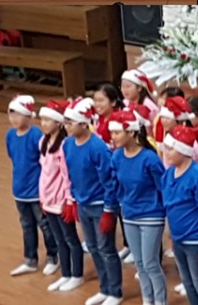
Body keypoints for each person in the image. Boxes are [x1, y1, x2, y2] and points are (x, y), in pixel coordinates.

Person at [62, 97, 122, 305]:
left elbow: (110, 181)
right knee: (94, 248)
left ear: (83, 123)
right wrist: (72, 200)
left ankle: (115, 291)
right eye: (65, 122)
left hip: (100, 206)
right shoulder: (68, 144)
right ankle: (104, 288)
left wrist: (109, 210)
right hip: (83, 204)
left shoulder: (98, 148)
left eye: (70, 122)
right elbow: (71, 175)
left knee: (106, 249)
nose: (66, 126)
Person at [109, 110, 167, 305]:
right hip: (129, 215)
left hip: (151, 216)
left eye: (117, 132)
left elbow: (162, 187)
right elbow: (116, 184)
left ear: (131, 132)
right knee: (140, 263)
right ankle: (147, 300)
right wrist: (122, 202)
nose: (113, 137)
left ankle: (160, 301)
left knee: (151, 263)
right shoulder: (117, 157)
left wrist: (162, 210)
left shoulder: (150, 158)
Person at [162, 125, 198, 305]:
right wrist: (173, 235)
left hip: (196, 242)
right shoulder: (169, 174)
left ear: (183, 150)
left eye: (170, 148)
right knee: (188, 284)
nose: (166, 152)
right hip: (179, 240)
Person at [5, 95, 59, 277]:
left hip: (36, 191)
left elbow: (45, 160)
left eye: (18, 114)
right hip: (19, 190)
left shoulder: (36, 135)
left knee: (45, 224)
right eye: (11, 114)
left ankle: (53, 256)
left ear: (28, 116)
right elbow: (12, 156)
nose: (14, 118)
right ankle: (30, 259)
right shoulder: (10, 135)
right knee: (27, 225)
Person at [38, 100, 85, 292]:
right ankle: (65, 274)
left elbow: (67, 176)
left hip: (61, 201)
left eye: (47, 120)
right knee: (59, 239)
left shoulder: (64, 146)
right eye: (42, 120)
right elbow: (44, 173)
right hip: (48, 199)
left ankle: (77, 275)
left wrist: (69, 200)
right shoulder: (43, 142)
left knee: (70, 239)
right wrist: (42, 197)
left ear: (59, 122)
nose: (43, 124)